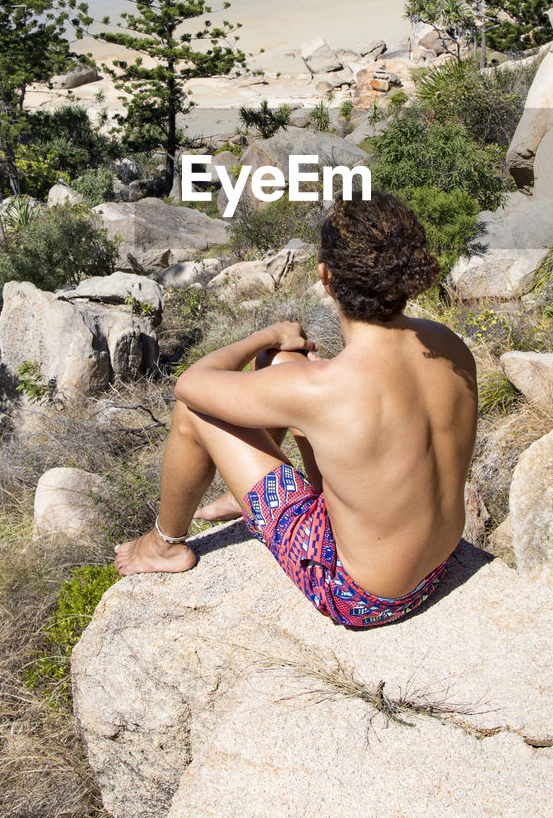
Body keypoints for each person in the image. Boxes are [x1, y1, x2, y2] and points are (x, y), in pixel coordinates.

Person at [114, 191, 478, 628]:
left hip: (363, 596)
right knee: (280, 365)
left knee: (195, 412)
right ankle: (247, 491)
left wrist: (265, 335)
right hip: (437, 562)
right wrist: (278, 354)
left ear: (326, 277)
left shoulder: (322, 389)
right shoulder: (447, 343)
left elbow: (189, 386)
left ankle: (163, 545)